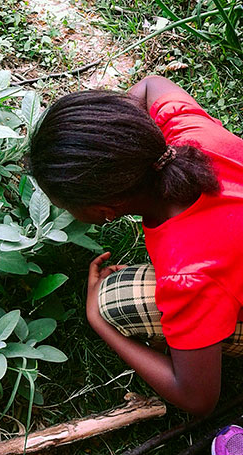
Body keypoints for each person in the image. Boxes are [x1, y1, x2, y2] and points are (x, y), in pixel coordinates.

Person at [27, 75, 243, 451]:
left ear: (104, 211)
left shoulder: (186, 275)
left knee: (115, 300)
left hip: (209, 272)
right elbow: (151, 85)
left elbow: (197, 398)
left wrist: (99, 322)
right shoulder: (187, 134)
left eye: (63, 206)